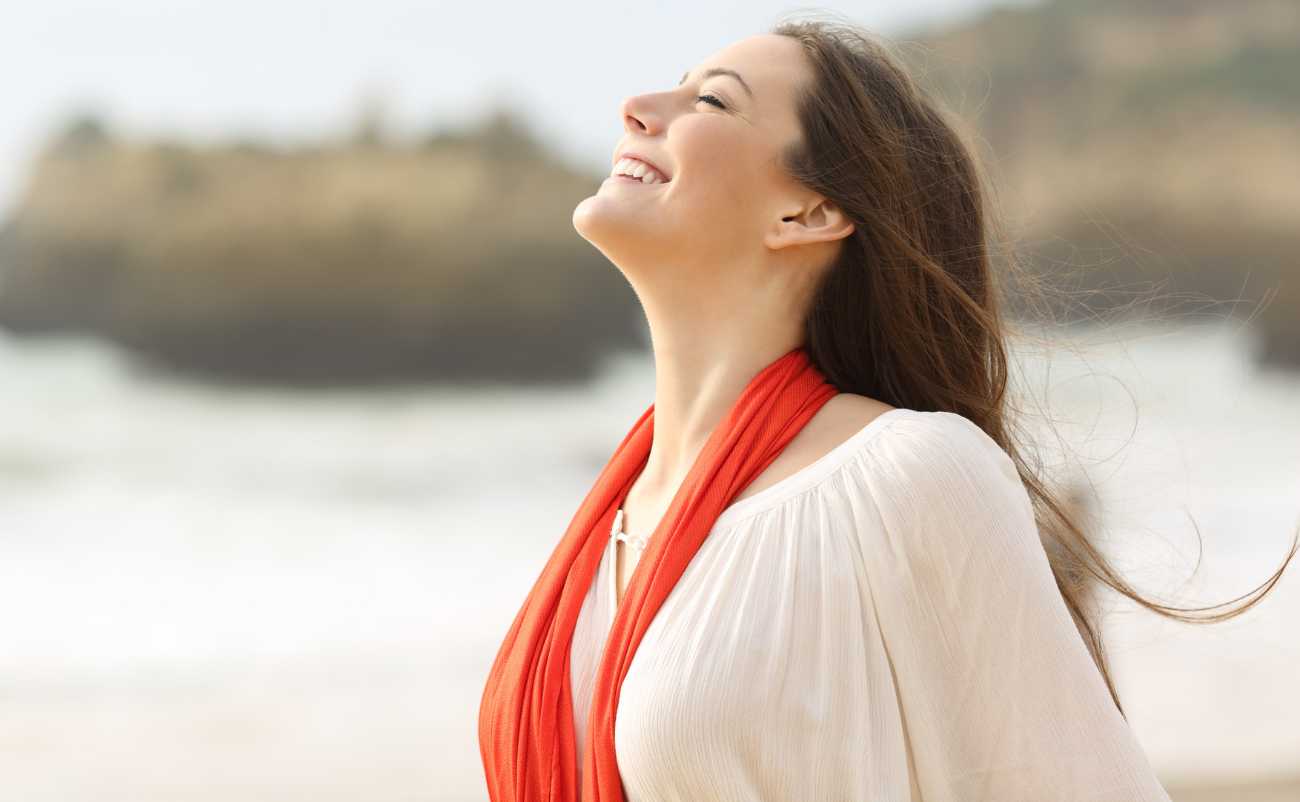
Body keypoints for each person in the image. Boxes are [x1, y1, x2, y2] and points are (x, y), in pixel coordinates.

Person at [478, 15, 1295, 802]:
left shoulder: (909, 475)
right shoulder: (612, 514)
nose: (638, 107)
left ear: (810, 212)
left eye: (713, 101)